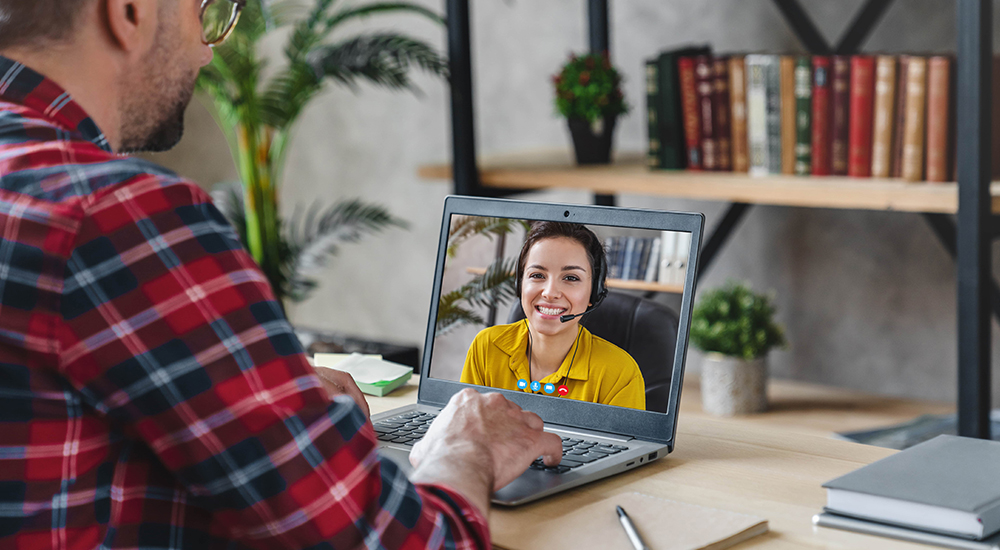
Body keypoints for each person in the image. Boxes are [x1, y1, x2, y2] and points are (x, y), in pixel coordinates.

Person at [0, 1, 562, 548]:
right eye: (204, 11)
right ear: (129, 12)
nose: (206, 50)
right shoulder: (115, 215)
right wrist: (466, 449)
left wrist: (248, 397)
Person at [460, 222, 646, 410]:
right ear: (520, 284)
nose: (550, 293)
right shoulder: (487, 348)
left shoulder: (620, 374)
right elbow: (465, 430)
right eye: (537, 275)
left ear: (594, 293)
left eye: (571, 278)